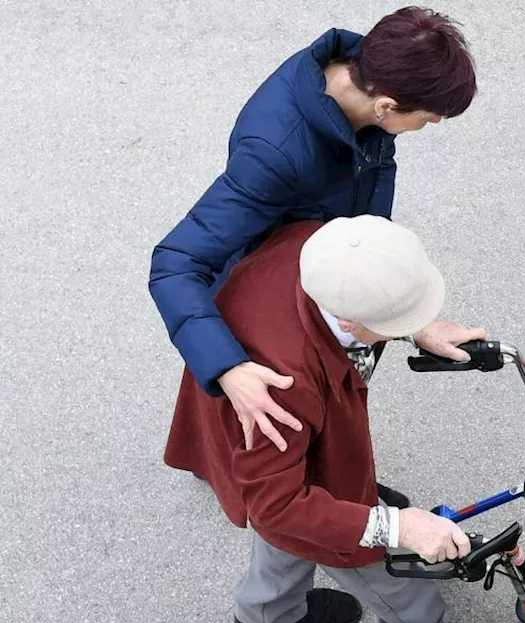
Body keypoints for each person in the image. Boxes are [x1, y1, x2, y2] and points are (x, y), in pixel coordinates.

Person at [163, 214, 514, 623]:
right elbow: (277, 504)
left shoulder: (319, 248)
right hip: (277, 448)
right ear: (351, 319)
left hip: (270, 449)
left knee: (288, 532)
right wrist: (399, 528)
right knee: (389, 572)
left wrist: (415, 323)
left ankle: (266, 611)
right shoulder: (285, 386)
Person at [149, 6, 485, 453]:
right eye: (426, 119)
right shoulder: (275, 155)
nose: (427, 127)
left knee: (335, 398)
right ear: (386, 105)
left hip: (334, 271)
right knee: (287, 417)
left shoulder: (364, 85)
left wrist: (404, 314)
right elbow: (175, 263)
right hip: (283, 287)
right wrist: (228, 368)